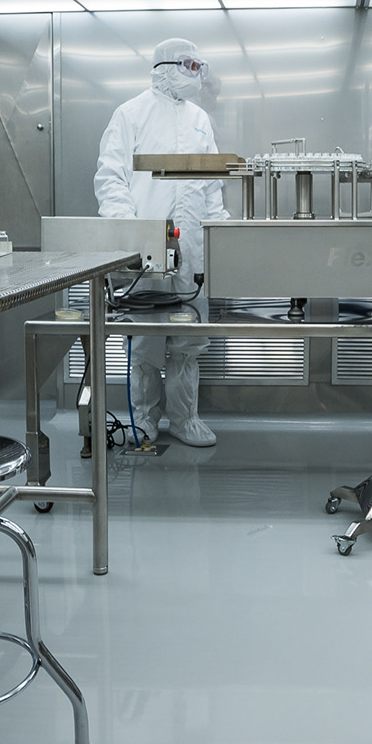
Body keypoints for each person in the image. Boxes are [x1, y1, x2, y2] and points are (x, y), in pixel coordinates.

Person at [94, 39, 230, 446]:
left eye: (200, 67)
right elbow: (111, 179)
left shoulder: (200, 119)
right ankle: (144, 420)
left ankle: (185, 419)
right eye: (190, 65)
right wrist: (132, 235)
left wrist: (219, 233)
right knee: (145, 341)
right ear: (165, 67)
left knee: (188, 341)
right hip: (146, 252)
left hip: (192, 250)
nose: (197, 74)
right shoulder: (130, 114)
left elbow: (211, 186)